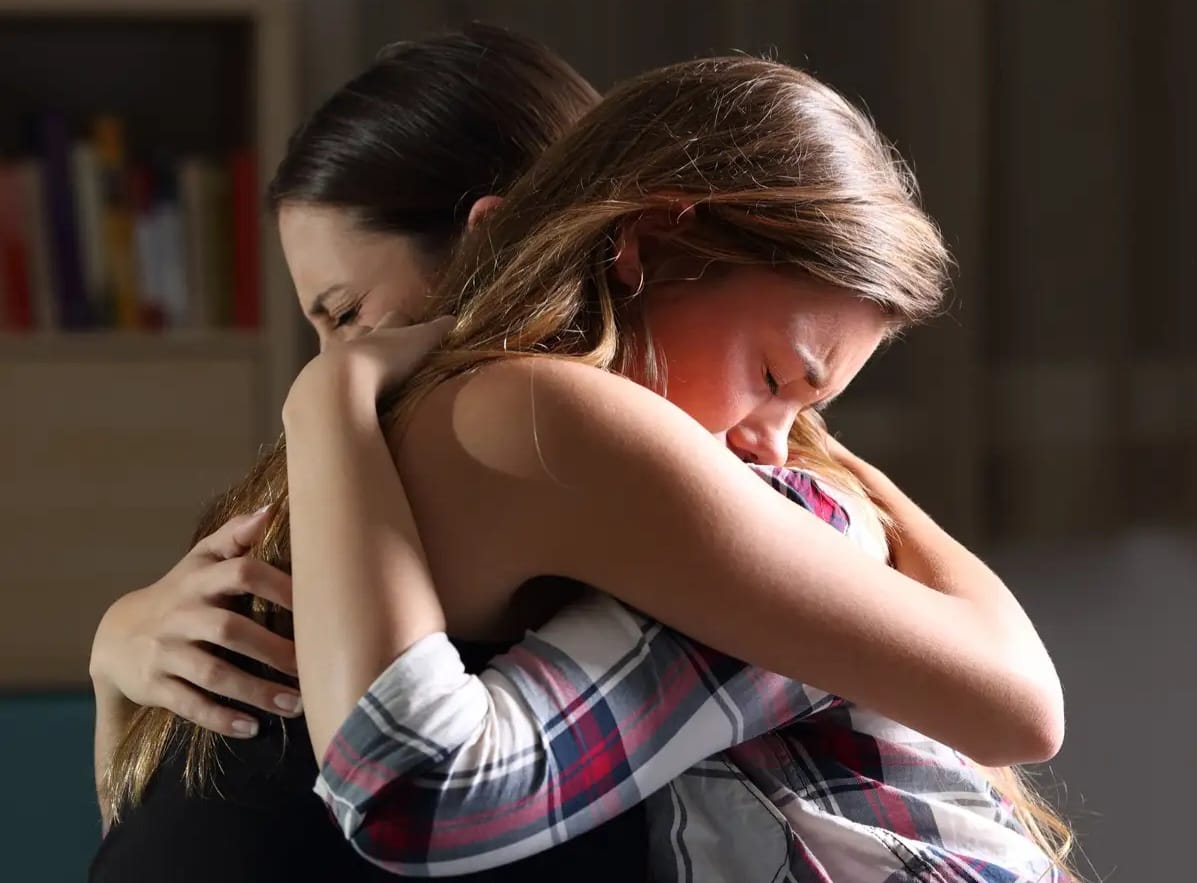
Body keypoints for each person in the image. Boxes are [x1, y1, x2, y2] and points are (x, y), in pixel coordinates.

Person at [281, 56, 1072, 882]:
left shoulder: (759, 501)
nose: (771, 443)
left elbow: (1023, 708)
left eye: (807, 408)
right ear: (649, 242)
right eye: (773, 379)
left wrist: (324, 399)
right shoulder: (534, 418)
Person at [88, 25, 654, 883]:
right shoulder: (370, 464)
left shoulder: (501, 434)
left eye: (346, 313)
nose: (334, 358)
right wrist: (114, 662)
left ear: (487, 246)